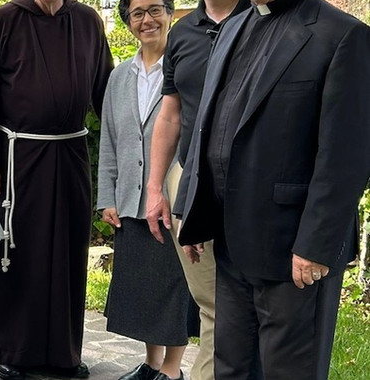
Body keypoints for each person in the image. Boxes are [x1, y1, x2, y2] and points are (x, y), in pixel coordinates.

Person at [175, 0, 370, 378]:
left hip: (293, 249)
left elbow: (346, 157)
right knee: (232, 367)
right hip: (232, 240)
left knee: (288, 371)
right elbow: (207, 123)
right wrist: (192, 207)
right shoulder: (235, 24)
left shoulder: (342, 34)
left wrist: (314, 246)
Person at [0, 0, 113, 378]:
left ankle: (64, 353)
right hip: (18, 158)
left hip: (71, 154)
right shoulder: (2, 21)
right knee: (16, 253)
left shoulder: (87, 21)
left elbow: (107, 93)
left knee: (68, 252)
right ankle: (9, 351)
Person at [143, 0, 249, 377]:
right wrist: (155, 187)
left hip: (249, 186)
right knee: (211, 303)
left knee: (244, 304)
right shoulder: (183, 34)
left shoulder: (261, 20)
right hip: (189, 182)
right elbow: (170, 113)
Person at [97, 1, 192, 380]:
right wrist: (107, 196)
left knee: (174, 287)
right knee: (144, 290)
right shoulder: (119, 76)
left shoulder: (187, 68)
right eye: (137, 13)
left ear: (171, 14)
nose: (147, 20)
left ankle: (172, 370)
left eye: (155, 10)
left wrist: (176, 192)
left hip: (171, 198)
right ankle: (152, 365)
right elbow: (109, 140)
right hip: (130, 201)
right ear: (128, 22)